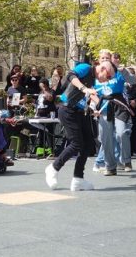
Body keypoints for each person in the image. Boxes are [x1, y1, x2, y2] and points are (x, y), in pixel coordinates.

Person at [44, 61, 105, 192]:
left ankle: (78, 179)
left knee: (88, 143)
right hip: (66, 109)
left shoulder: (94, 80)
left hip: (79, 112)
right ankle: (53, 168)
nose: (107, 78)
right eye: (108, 75)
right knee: (76, 143)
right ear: (102, 68)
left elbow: (92, 95)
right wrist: (84, 89)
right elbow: (71, 76)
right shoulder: (86, 68)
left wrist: (100, 106)